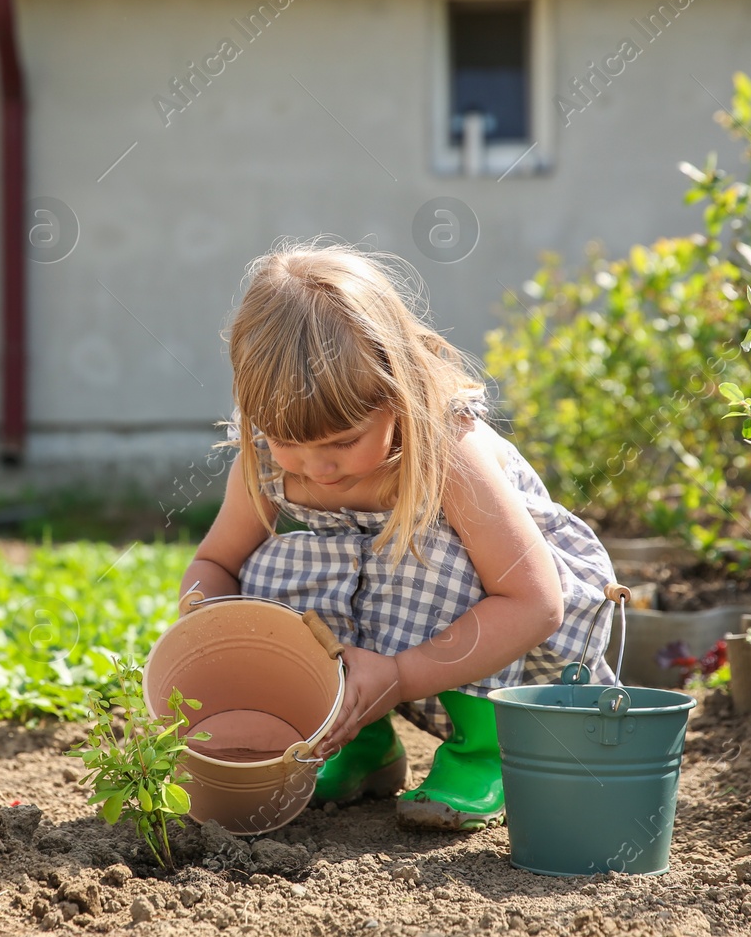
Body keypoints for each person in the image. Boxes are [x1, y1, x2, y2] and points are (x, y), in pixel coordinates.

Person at [178, 242, 617, 831]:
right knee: (271, 578)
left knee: (433, 556)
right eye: (290, 442)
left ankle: (483, 755)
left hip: (514, 638)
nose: (318, 468)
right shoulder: (266, 460)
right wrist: (205, 624)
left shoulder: (447, 451)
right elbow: (217, 562)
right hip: (385, 639)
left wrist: (401, 676)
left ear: (398, 392)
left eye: (342, 441)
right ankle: (360, 741)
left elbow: (536, 603)